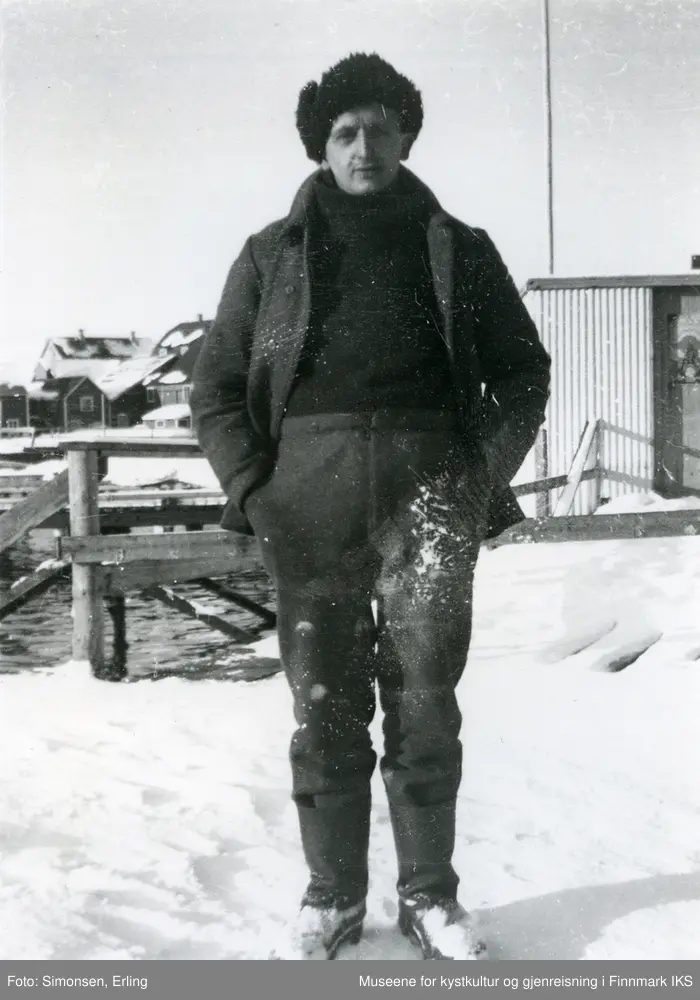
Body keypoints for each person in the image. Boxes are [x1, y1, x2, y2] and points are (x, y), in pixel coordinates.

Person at [191, 52, 550, 960]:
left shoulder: (459, 246)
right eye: (346, 131)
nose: (366, 146)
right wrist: (253, 490)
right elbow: (217, 386)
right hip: (307, 502)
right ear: (322, 144)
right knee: (325, 707)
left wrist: (474, 482)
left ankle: (431, 897)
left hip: (432, 495)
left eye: (383, 127)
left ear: (407, 135)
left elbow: (523, 370)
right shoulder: (269, 253)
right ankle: (331, 896)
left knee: (426, 703)